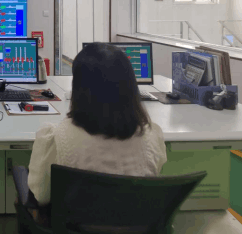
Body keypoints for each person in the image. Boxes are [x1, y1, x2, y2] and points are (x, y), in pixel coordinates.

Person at [27, 43, 167, 225]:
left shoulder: (58, 138)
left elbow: (41, 196)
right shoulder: (152, 135)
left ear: (79, 88)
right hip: (133, 227)